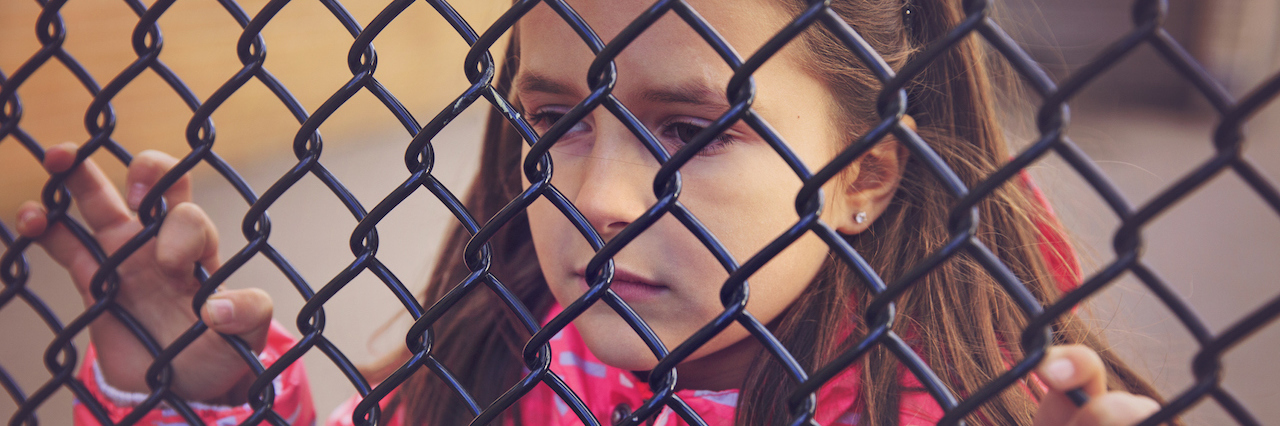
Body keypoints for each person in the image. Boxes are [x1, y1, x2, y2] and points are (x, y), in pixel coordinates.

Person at [15, 0, 1170, 424]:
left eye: (690, 129)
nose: (599, 198)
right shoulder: (492, 355)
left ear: (864, 175)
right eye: (556, 114)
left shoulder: (953, 404)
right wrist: (181, 377)